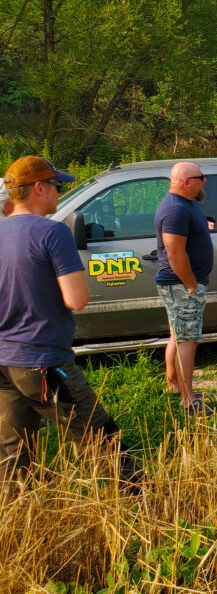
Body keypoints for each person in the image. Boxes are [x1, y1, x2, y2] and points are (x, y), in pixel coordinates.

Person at [0, 157, 140, 488]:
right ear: (39, 188)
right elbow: (76, 299)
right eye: (57, 187)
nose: (59, 195)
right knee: (101, 437)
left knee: (13, 456)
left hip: (3, 362)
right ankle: (142, 505)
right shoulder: (53, 231)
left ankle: (19, 524)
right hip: (43, 361)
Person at [154, 161, 214, 416]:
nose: (205, 181)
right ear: (187, 182)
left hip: (182, 284)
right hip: (181, 285)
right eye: (201, 177)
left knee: (178, 336)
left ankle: (174, 386)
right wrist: (191, 284)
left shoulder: (186, 205)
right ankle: (188, 401)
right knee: (188, 341)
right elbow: (174, 252)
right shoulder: (175, 209)